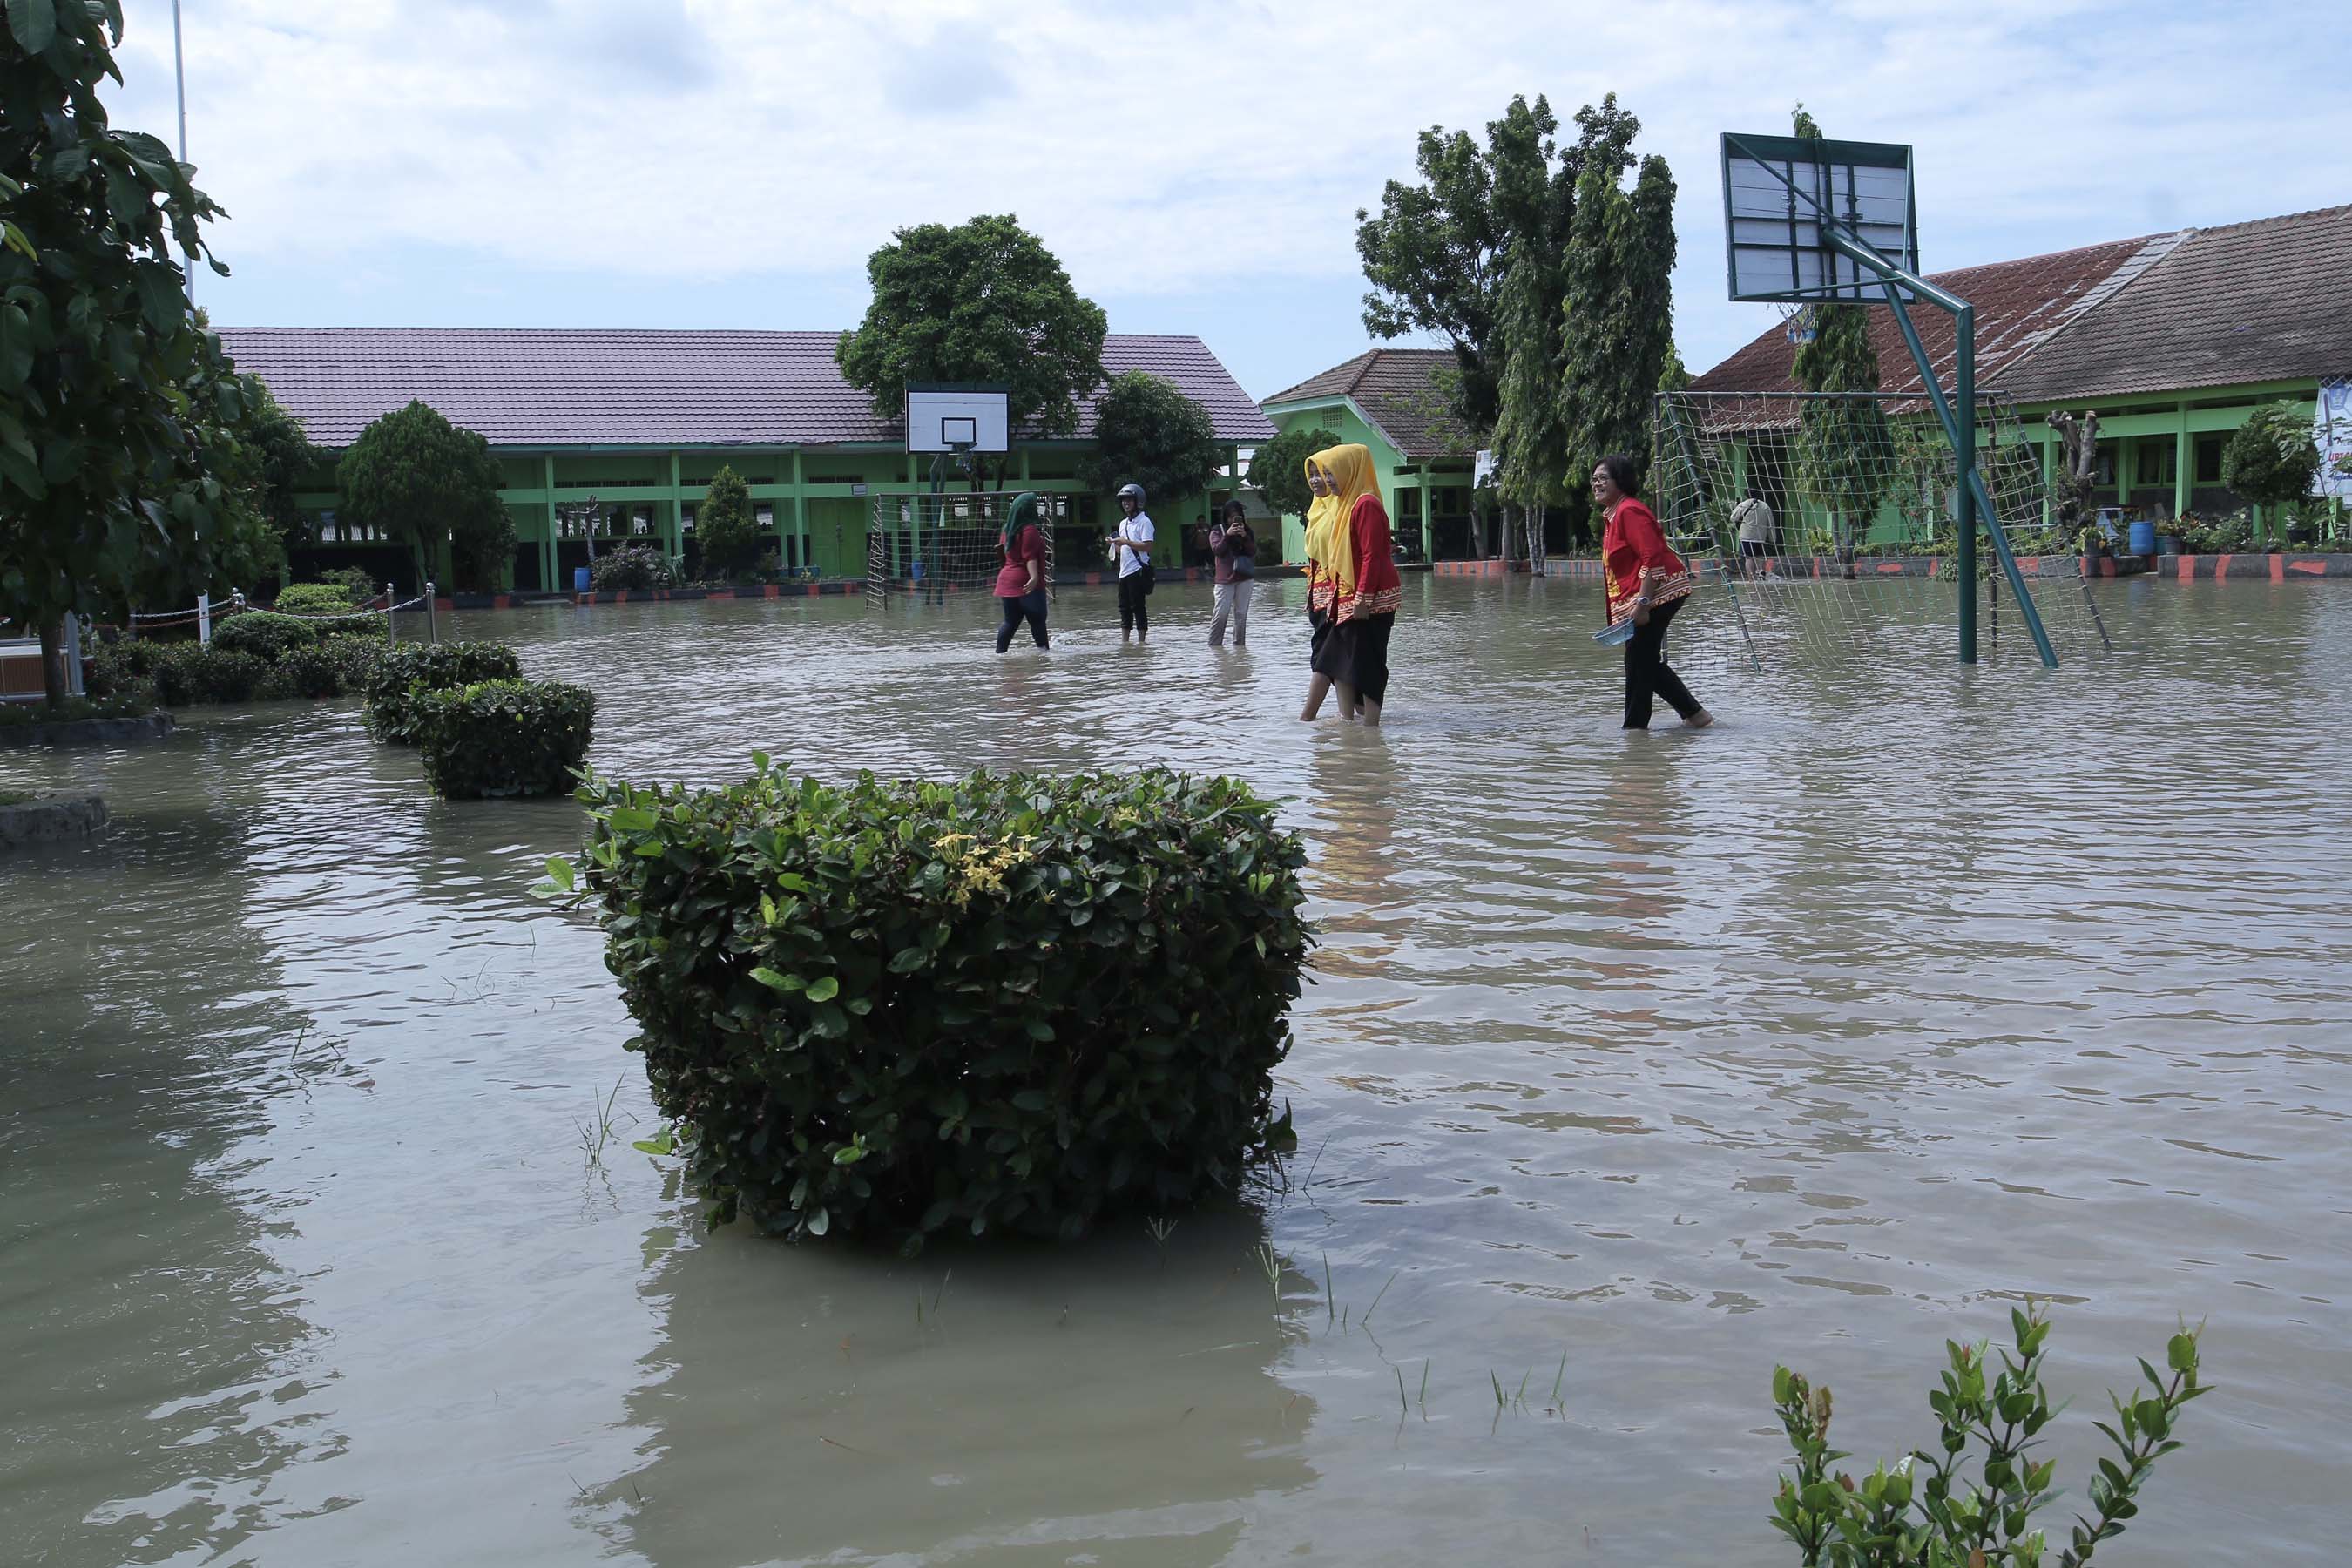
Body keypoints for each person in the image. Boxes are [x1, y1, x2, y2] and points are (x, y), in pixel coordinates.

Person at [1594, 452, 1713, 732]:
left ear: (1620, 481)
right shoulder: (1614, 515)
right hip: (1648, 596)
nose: (1596, 484)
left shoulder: (1629, 511)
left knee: (1638, 660)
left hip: (1659, 594)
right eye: (1594, 479)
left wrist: (1644, 604)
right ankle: (1694, 715)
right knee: (1642, 660)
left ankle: (1634, 732)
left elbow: (1653, 558)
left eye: (1603, 479)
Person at [1301, 443, 1402, 726]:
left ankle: (1371, 728)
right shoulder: (1347, 504)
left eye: (1331, 473)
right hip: (1345, 596)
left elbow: (1373, 555)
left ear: (1350, 470)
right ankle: (1348, 724)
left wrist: (1363, 598)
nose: (1327, 479)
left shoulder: (1366, 504)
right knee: (1340, 661)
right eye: (1326, 473)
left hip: (1367, 599)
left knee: (1367, 661)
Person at [992, 490, 1050, 652]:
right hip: (1026, 583)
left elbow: (1004, 553)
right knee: (1038, 621)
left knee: (1010, 621)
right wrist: (1034, 577)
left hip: (1007, 582)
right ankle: (1044, 659)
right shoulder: (1029, 529)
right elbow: (1029, 557)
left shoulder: (1007, 529)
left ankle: (999, 655)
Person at [1105, 482, 1155, 643]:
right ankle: (1125, 642)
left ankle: (1142, 643)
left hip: (1138, 572)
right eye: (1123, 500)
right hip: (1124, 572)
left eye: (1129, 499)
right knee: (1124, 608)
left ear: (1137, 501)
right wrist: (1115, 544)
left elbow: (1148, 546)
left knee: (1138, 607)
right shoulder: (1122, 523)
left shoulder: (1145, 522)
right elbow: (1123, 550)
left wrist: (1126, 542)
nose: (1126, 503)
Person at [1206, 498, 1256, 647]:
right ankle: (1214, 647)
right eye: (1230, 516)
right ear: (1225, 516)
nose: (1232, 520)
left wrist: (1244, 537)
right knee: (1221, 614)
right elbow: (1217, 550)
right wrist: (1227, 535)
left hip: (1245, 577)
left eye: (1236, 516)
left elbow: (1253, 552)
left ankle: (1240, 648)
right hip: (1224, 580)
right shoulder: (1217, 530)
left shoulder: (1247, 531)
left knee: (1241, 616)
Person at [1732, 490, 1775, 576]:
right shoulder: (1765, 506)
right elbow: (1771, 523)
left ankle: (1751, 579)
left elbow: (1733, 517)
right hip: (1760, 537)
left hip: (1746, 536)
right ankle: (1761, 570)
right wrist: (1772, 538)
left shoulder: (1743, 504)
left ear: (1746, 495)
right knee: (1759, 556)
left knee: (1749, 558)